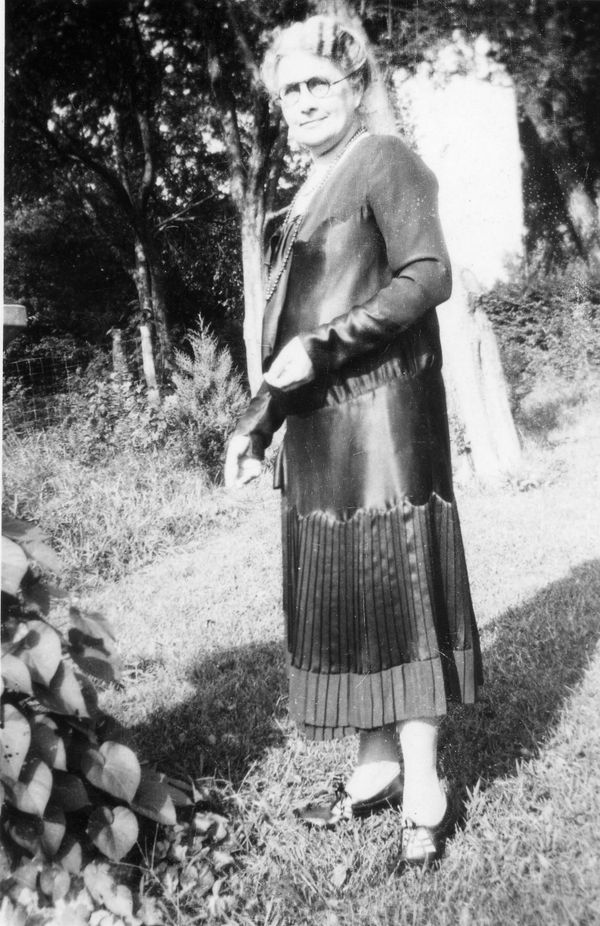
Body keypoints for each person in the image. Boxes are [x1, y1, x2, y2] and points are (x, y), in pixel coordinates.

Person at [224, 14, 482, 866]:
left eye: (315, 84)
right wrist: (259, 422)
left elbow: (429, 275)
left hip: (384, 424)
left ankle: (425, 790)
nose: (299, 101)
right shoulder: (303, 194)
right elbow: (296, 333)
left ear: (352, 85)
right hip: (320, 439)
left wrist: (321, 351)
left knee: (395, 594)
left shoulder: (383, 160)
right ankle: (372, 775)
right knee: (346, 600)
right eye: (287, 90)